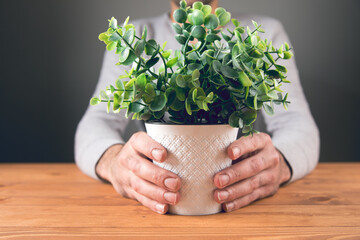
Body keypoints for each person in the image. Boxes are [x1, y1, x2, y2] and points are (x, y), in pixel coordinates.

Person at [75, 0, 320, 214]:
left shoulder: (264, 33)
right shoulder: (136, 37)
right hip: (163, 205)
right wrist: (115, 162)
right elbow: (95, 123)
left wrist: (278, 164)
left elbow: (298, 123)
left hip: (235, 206)